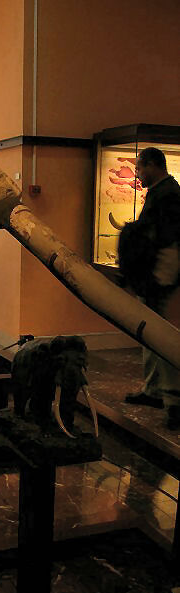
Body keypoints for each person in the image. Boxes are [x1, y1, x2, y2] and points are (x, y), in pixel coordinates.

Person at [118, 147, 180, 430]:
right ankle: (154, 390)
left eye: (140, 168)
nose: (138, 174)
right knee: (152, 335)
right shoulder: (162, 193)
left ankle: (173, 400)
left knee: (163, 336)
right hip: (155, 278)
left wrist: (159, 279)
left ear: (153, 165)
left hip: (161, 279)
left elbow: (169, 243)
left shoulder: (168, 196)